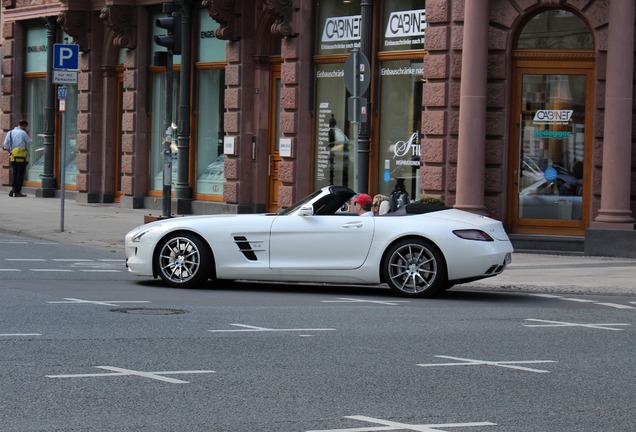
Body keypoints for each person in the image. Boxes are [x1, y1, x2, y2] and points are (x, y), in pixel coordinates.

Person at [3, 120, 31, 197]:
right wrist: (28, 133)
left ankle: (13, 188)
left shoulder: (10, 133)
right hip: (22, 157)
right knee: (20, 174)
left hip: (14, 156)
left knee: (15, 173)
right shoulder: (23, 133)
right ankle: (17, 191)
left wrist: (9, 152)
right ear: (24, 126)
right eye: (26, 127)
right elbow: (30, 141)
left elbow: (5, 145)